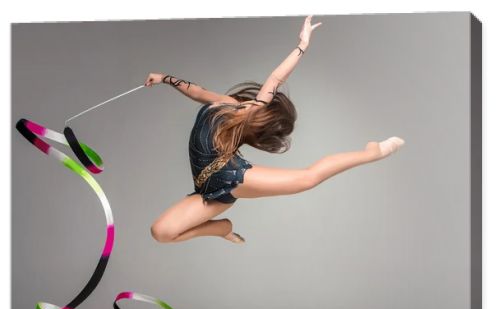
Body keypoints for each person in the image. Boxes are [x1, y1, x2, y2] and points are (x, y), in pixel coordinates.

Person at [145, 16, 405, 244]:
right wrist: (164, 78)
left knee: (307, 178)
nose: (257, 99)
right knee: (161, 232)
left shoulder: (249, 111)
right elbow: (198, 91)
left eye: (262, 103)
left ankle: (372, 152)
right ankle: (222, 229)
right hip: (206, 188)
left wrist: (302, 45)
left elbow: (276, 78)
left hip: (229, 178)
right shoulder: (227, 104)